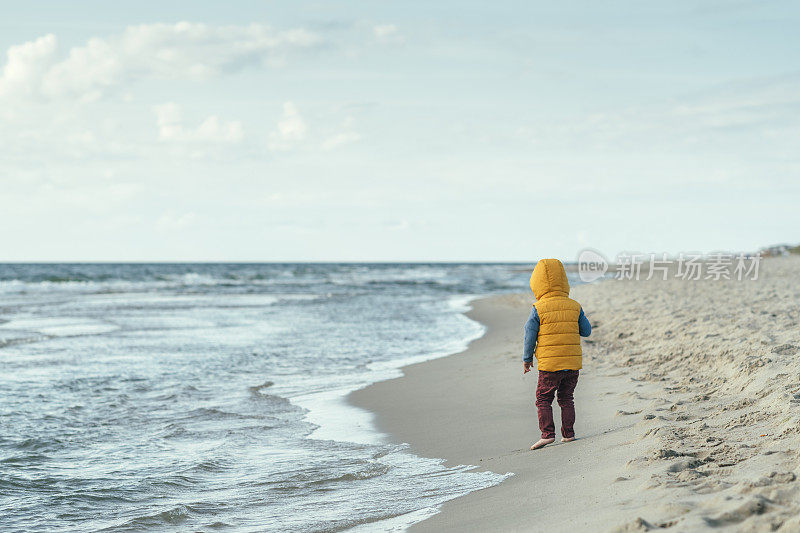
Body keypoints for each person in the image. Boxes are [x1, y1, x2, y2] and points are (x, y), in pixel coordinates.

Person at [523, 258, 592, 450]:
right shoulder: (574, 306)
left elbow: (529, 335)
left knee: (543, 399)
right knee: (566, 397)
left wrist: (527, 359)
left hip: (550, 366)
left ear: (537, 284)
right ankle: (568, 434)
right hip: (572, 364)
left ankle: (547, 434)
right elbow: (586, 331)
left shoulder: (538, 309)